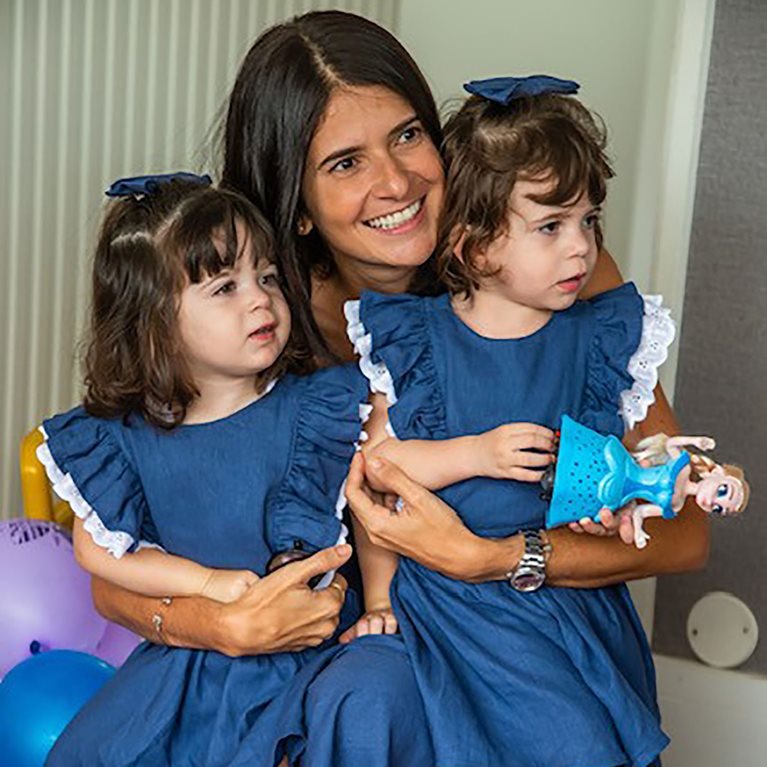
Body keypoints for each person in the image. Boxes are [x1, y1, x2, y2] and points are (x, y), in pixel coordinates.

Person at [85, 10, 709, 766]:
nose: (395, 181)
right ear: (297, 205)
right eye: (345, 163)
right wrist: (223, 624)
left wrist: (496, 555)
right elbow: (118, 562)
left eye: (408, 135)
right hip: (345, 637)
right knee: (364, 696)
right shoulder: (256, 320)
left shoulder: (549, 273)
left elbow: (684, 533)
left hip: (521, 624)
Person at [340, 76, 674, 766]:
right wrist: (475, 454)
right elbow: (379, 467)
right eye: (551, 226)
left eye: (588, 221)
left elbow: (626, 479)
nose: (580, 248)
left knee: (578, 736)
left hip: (559, 604)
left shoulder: (601, 340)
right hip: (446, 606)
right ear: (474, 247)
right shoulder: (415, 341)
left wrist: (626, 500)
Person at [39, 174, 374, 766]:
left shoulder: (316, 410)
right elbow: (99, 554)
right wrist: (206, 584)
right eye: (224, 288)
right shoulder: (123, 440)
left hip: (304, 654)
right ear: (154, 323)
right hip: (189, 666)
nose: (260, 299)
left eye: (266, 276)